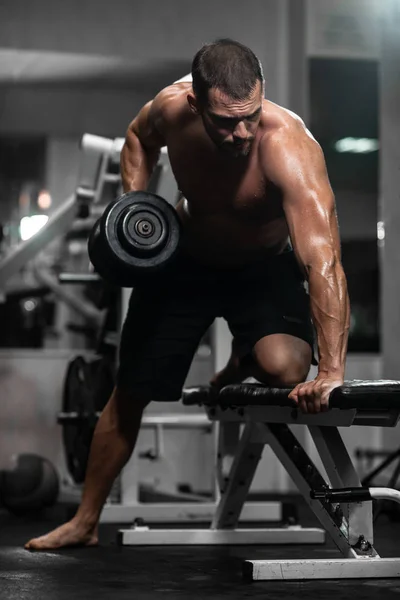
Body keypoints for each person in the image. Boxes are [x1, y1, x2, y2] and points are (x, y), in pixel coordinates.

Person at [25, 38, 349, 550]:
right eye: (225, 121)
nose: (242, 132)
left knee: (288, 369)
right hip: (187, 264)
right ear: (196, 102)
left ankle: (247, 353)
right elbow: (136, 138)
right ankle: (86, 520)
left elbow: (322, 261)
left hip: (262, 269)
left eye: (251, 115)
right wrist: (135, 213)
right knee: (130, 390)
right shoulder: (171, 110)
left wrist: (331, 371)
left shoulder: (289, 147)